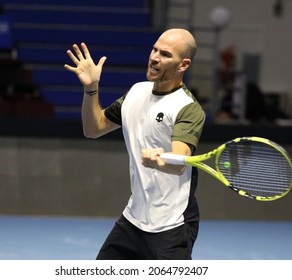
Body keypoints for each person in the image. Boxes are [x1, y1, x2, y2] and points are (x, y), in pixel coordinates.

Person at [64, 28, 206, 260]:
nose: (155, 57)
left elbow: (179, 161)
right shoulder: (136, 93)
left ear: (183, 65)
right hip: (133, 219)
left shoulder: (187, 108)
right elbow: (94, 128)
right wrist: (91, 88)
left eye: (166, 54)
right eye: (154, 50)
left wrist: (158, 160)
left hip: (172, 225)